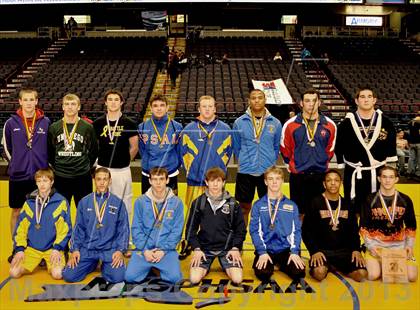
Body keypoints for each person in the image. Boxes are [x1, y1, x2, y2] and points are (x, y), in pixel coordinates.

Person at [2, 88, 50, 262]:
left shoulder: (45, 122)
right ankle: (17, 248)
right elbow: (6, 147)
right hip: (18, 175)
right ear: (20, 102)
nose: (29, 103)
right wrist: (15, 164)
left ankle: (41, 250)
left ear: (37, 101)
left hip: (39, 178)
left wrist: (45, 169)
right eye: (26, 100)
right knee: (16, 211)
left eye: (32, 100)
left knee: (41, 213)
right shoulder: (11, 123)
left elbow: (49, 148)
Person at [335, 87, 397, 214]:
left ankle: (375, 234)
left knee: (377, 210)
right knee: (352, 210)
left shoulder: (386, 122)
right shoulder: (346, 124)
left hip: (377, 172)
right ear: (357, 101)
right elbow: (339, 146)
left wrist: (389, 172)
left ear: (374, 100)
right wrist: (341, 163)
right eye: (362, 97)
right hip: (354, 172)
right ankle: (353, 233)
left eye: (369, 96)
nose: (366, 100)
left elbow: (391, 148)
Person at [63, 167, 129, 283]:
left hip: (109, 250)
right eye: (99, 179)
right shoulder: (84, 202)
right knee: (69, 275)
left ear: (110, 181)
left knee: (119, 277)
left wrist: (120, 250)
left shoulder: (118, 203)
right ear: (94, 180)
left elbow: (123, 229)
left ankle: (105, 265)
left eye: (105, 179)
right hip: (88, 249)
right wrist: (75, 249)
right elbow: (79, 228)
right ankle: (92, 263)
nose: (102, 182)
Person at [302, 169, 367, 282]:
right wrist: (314, 251)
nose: (333, 183)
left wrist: (356, 250)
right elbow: (306, 231)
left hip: (344, 252)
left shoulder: (347, 204)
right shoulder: (315, 202)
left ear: (341, 183)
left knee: (361, 274)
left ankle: (334, 266)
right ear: (324, 184)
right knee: (319, 273)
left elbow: (353, 231)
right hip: (322, 251)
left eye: (336, 180)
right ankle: (326, 265)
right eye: (329, 180)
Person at [281, 89, 336, 217]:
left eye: (314, 100)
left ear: (319, 102)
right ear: (301, 103)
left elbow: (330, 149)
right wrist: (292, 165)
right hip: (299, 176)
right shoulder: (290, 125)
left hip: (320, 175)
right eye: (307, 101)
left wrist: (321, 161)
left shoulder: (330, 125)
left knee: (320, 213)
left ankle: (317, 238)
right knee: (299, 214)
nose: (311, 104)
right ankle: (300, 237)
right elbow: (285, 149)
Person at [186, 167, 246, 285]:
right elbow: (190, 229)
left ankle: (227, 262)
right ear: (206, 182)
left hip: (227, 248)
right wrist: (196, 249)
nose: (215, 184)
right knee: (194, 279)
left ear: (223, 183)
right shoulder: (198, 203)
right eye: (212, 181)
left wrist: (235, 248)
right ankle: (205, 264)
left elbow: (240, 230)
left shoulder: (233, 204)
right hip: (204, 249)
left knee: (237, 279)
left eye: (218, 181)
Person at [10, 168, 72, 280]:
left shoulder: (61, 202)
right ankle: (36, 260)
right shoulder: (29, 203)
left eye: (45, 181)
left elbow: (65, 229)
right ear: (36, 183)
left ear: (51, 182)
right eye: (39, 181)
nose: (42, 184)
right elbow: (20, 228)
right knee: (14, 273)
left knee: (58, 274)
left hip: (52, 248)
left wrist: (57, 248)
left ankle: (62, 255)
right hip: (32, 248)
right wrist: (19, 249)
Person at [125, 167, 184, 284]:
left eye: (161, 179)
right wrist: (145, 250)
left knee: (175, 279)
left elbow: (177, 231)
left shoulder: (177, 203)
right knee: (129, 277)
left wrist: (163, 250)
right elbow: (136, 228)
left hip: (166, 250)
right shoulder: (141, 202)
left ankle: (155, 267)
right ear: (150, 181)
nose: (158, 183)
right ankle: (151, 267)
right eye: (155, 179)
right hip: (144, 250)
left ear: (167, 180)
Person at [232, 89, 282, 225]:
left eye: (260, 97)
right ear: (249, 101)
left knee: (268, 208)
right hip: (245, 171)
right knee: (243, 208)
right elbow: (236, 147)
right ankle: (239, 241)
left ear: (265, 100)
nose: (257, 100)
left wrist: (268, 161)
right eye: (253, 98)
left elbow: (276, 147)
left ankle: (267, 240)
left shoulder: (276, 123)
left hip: (267, 172)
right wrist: (245, 160)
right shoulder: (239, 122)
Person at [360, 166, 417, 282]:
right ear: (379, 179)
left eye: (391, 177)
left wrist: (409, 246)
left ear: (396, 179)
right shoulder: (370, 199)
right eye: (384, 177)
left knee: (412, 277)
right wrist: (371, 246)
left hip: (399, 247)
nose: (387, 180)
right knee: (372, 275)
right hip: (377, 246)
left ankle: (386, 265)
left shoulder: (405, 199)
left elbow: (411, 226)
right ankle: (378, 262)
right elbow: (363, 227)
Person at [249, 166, 305, 282]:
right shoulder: (258, 205)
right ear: (265, 182)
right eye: (270, 179)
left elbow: (296, 231)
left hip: (286, 249)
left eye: (278, 178)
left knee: (299, 273)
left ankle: (279, 264)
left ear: (282, 181)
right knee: (263, 274)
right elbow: (254, 231)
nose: (274, 182)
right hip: (266, 249)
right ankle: (275, 264)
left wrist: (294, 252)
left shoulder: (292, 205)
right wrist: (262, 252)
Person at [181, 95, 232, 209]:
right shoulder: (188, 130)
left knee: (217, 217)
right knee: (194, 216)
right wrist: (192, 172)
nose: (207, 109)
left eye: (210, 106)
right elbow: (183, 155)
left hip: (217, 183)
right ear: (199, 109)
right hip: (195, 181)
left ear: (215, 109)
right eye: (204, 106)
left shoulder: (226, 129)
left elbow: (228, 154)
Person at [93, 89, 138, 219]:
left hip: (123, 170)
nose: (113, 103)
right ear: (105, 103)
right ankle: (103, 233)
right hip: (102, 169)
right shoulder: (98, 123)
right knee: (102, 202)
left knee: (125, 203)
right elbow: (93, 146)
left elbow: (135, 147)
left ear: (121, 102)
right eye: (110, 100)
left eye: (116, 100)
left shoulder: (129, 123)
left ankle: (124, 235)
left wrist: (124, 161)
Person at [48, 93, 98, 207]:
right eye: (67, 104)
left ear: (79, 107)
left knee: (85, 211)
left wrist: (84, 165)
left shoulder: (87, 127)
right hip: (61, 176)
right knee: (60, 211)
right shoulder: (54, 127)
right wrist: (58, 166)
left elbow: (94, 150)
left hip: (82, 176)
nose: (70, 107)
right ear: (62, 107)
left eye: (73, 104)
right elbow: (50, 151)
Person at [138, 94, 183, 195]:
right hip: (148, 173)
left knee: (170, 207)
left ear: (167, 107)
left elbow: (179, 150)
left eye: (162, 105)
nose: (159, 108)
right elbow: (142, 149)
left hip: (170, 173)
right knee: (147, 207)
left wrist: (173, 164)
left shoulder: (177, 127)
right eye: (155, 105)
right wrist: (148, 163)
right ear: (151, 108)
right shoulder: (142, 126)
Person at [407, 111, 420, 179]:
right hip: (419, 143)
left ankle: (410, 172)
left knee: (411, 158)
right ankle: (418, 173)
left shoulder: (410, 122)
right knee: (419, 158)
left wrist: (408, 141)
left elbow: (409, 133)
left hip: (411, 142)